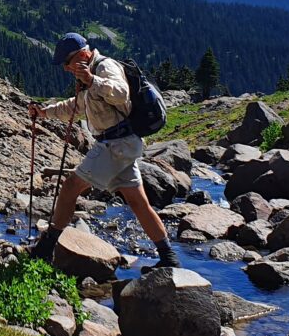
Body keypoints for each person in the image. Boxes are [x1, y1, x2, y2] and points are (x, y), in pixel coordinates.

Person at [29, 32, 178, 269]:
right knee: (139, 203)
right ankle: (169, 258)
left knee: (69, 187)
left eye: (66, 63)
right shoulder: (89, 73)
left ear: (80, 55)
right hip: (122, 146)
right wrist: (45, 112)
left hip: (115, 145)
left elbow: (121, 94)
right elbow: (76, 106)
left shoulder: (105, 66)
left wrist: (91, 81)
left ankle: (45, 249)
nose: (66, 69)